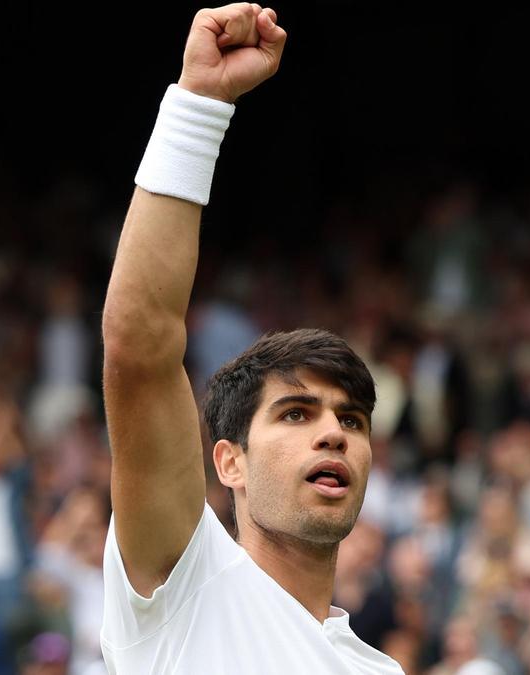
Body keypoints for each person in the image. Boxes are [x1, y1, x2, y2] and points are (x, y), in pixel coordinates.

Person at [100, 3, 403, 673]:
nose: (335, 434)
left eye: (351, 419)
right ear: (228, 461)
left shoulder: (379, 669)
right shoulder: (185, 583)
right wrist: (198, 107)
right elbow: (138, 342)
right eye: (296, 412)